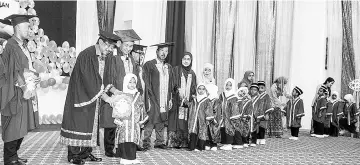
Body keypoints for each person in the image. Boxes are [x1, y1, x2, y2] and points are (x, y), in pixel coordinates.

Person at [60, 30, 121, 164]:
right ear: (100, 42)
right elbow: (90, 81)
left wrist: (115, 91)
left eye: (112, 47)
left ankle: (85, 153)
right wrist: (107, 98)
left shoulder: (105, 57)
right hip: (81, 96)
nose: (110, 49)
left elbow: (104, 78)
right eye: (108, 46)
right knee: (78, 125)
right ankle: (74, 156)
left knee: (91, 127)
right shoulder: (87, 55)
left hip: (93, 98)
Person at [0, 14, 40, 165]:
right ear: (17, 27)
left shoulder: (22, 46)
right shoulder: (10, 45)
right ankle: (9, 159)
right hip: (14, 92)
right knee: (13, 125)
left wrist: (35, 77)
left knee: (21, 125)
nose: (29, 29)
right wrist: (24, 87)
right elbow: (11, 71)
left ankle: (14, 155)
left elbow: (25, 68)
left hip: (25, 91)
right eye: (26, 27)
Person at [101, 29, 143, 157]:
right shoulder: (112, 57)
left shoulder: (131, 59)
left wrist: (138, 91)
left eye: (131, 46)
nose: (129, 48)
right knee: (112, 121)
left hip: (129, 96)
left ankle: (121, 148)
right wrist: (114, 92)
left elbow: (135, 76)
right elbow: (107, 76)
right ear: (120, 44)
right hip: (116, 94)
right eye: (126, 45)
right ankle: (109, 149)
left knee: (125, 123)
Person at [142, 42, 174, 151]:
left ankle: (159, 142)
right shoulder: (149, 65)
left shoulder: (168, 66)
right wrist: (149, 97)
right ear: (157, 52)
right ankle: (146, 141)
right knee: (151, 120)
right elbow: (146, 82)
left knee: (161, 118)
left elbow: (171, 84)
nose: (164, 53)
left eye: (166, 52)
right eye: (162, 51)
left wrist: (170, 98)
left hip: (164, 97)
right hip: (153, 96)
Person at [168, 52, 197, 148]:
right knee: (175, 120)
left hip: (187, 102)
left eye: (188, 59)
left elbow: (194, 87)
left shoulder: (192, 73)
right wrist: (178, 90)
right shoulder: (176, 70)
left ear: (191, 61)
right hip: (177, 100)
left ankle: (184, 142)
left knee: (185, 121)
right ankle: (173, 142)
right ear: (181, 60)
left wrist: (191, 97)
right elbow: (172, 83)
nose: (186, 61)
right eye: (184, 58)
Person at [113, 73, 143, 164]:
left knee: (133, 140)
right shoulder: (122, 95)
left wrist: (141, 120)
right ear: (126, 82)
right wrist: (118, 120)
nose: (132, 84)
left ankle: (132, 158)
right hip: (125, 122)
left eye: (134, 82)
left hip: (134, 122)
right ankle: (124, 158)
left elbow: (142, 108)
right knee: (125, 139)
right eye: (130, 82)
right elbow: (117, 108)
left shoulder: (138, 95)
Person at [188, 83, 212, 151]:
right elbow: (190, 106)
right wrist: (185, 101)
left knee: (202, 132)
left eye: (203, 89)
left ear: (205, 90)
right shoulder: (195, 99)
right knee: (193, 130)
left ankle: (200, 146)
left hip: (202, 119)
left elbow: (209, 109)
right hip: (194, 120)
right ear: (197, 89)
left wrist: (208, 118)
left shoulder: (206, 100)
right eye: (199, 89)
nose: (201, 91)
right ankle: (192, 145)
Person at [218, 78, 238, 150]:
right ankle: (224, 142)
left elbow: (235, 107)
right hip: (222, 115)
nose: (228, 87)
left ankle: (229, 144)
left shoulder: (233, 96)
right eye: (227, 85)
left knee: (229, 129)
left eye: (230, 85)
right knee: (223, 128)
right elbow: (219, 103)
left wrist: (233, 117)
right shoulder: (222, 95)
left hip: (230, 116)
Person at [205, 83, 220, 151]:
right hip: (206, 119)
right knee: (207, 132)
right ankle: (207, 143)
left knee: (214, 131)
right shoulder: (206, 99)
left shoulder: (216, 100)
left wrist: (213, 118)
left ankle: (214, 144)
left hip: (213, 119)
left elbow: (216, 110)